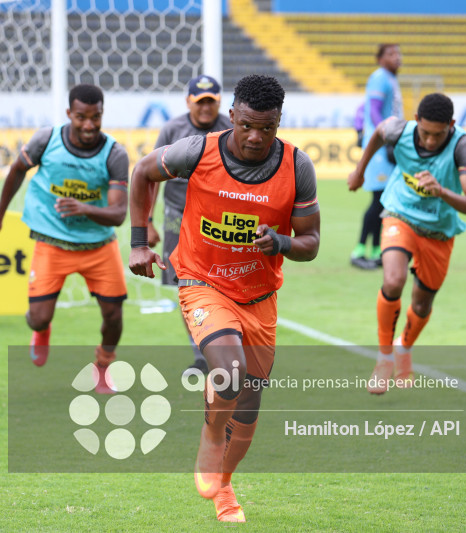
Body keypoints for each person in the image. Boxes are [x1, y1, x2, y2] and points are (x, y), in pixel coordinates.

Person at [128, 74, 320, 522]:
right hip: (201, 280)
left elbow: (311, 242)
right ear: (231, 115)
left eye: (267, 128)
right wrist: (139, 242)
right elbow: (142, 172)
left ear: (279, 123)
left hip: (259, 295)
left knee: (250, 401)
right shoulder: (198, 150)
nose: (256, 137)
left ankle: (226, 485)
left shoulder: (297, 166)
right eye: (247, 125)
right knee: (229, 375)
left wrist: (283, 244)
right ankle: (212, 436)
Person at [0, 84, 129, 394]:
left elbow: (118, 214)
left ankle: (103, 366)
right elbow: (17, 170)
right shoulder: (46, 139)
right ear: (69, 114)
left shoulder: (114, 154)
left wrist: (83, 208)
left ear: (102, 114)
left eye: (96, 117)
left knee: (114, 315)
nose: (89, 125)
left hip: (99, 245)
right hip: (52, 242)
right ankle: (42, 330)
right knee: (36, 318)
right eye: (81, 117)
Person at [348, 93, 466, 394]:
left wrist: (442, 192)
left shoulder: (464, 146)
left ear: (452, 124)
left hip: (439, 232)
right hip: (400, 214)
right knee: (393, 281)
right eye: (425, 133)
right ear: (416, 122)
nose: (431, 141)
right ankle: (383, 359)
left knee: (422, 304)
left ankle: (404, 347)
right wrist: (360, 171)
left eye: (439, 134)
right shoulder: (399, 130)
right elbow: (379, 132)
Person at [147, 74, 232, 376]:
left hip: (218, 219)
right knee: (185, 285)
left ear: (219, 102)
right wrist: (146, 222)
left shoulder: (230, 129)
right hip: (177, 216)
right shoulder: (173, 129)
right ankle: (200, 351)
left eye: (211, 102)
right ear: (188, 102)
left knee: (224, 281)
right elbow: (151, 174)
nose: (206, 108)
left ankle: (226, 343)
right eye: (200, 102)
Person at [350, 43, 403, 270]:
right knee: (379, 199)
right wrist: (386, 134)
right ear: (379, 58)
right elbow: (373, 109)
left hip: (386, 144)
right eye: (391, 54)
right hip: (380, 147)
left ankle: (376, 250)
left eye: (398, 53)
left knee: (385, 199)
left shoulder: (390, 78)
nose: (397, 57)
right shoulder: (380, 77)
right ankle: (360, 250)